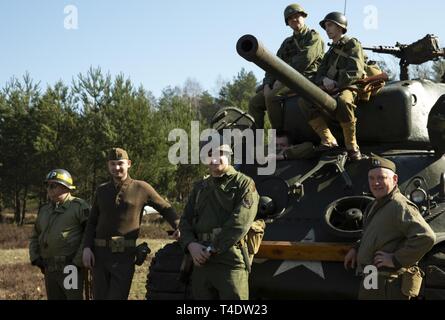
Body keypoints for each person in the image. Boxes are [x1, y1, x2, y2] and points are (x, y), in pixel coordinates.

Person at [82, 147, 180, 300]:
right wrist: (87, 248)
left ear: (129, 164)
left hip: (124, 257)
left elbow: (165, 208)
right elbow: (92, 222)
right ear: (108, 166)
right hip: (99, 256)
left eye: (120, 163)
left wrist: (179, 226)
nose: (116, 168)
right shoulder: (101, 190)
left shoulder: (141, 188)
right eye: (112, 164)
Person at [344, 155, 436, 299]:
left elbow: (426, 237)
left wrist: (395, 259)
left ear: (394, 180)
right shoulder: (375, 204)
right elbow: (374, 233)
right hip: (371, 276)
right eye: (372, 178)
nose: (376, 183)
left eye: (381, 178)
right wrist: (357, 248)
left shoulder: (399, 205)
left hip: (389, 283)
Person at [179, 143, 259, 299]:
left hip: (228, 261)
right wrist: (191, 245)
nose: (214, 158)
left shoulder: (244, 184)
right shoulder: (200, 186)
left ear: (228, 155)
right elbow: (185, 221)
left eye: (219, 153)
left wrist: (212, 249)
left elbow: (239, 223)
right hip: (200, 260)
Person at [299, 12, 365, 161]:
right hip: (329, 88)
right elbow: (320, 73)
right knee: (304, 101)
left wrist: (337, 83)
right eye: (326, 26)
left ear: (340, 27)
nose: (327, 29)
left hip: (348, 86)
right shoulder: (329, 51)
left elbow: (355, 70)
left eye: (330, 25)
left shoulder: (352, 44)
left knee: (344, 101)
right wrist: (323, 81)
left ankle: (352, 146)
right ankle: (328, 139)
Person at [248, 3, 324, 130]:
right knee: (255, 102)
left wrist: (281, 78)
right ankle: (255, 140)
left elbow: (304, 61)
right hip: (284, 80)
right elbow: (272, 64)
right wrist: (267, 83)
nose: (294, 19)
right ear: (287, 23)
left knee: (272, 96)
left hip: (306, 78)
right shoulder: (287, 43)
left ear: (303, 17)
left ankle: (279, 135)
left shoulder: (313, 37)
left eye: (297, 16)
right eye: (290, 18)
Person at [29, 169, 90, 300]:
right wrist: (35, 258)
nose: (49, 189)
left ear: (65, 187)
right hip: (49, 268)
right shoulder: (45, 210)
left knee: (73, 298)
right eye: (47, 185)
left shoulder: (79, 207)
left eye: (53, 185)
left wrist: (77, 262)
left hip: (71, 268)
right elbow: (35, 235)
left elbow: (88, 235)